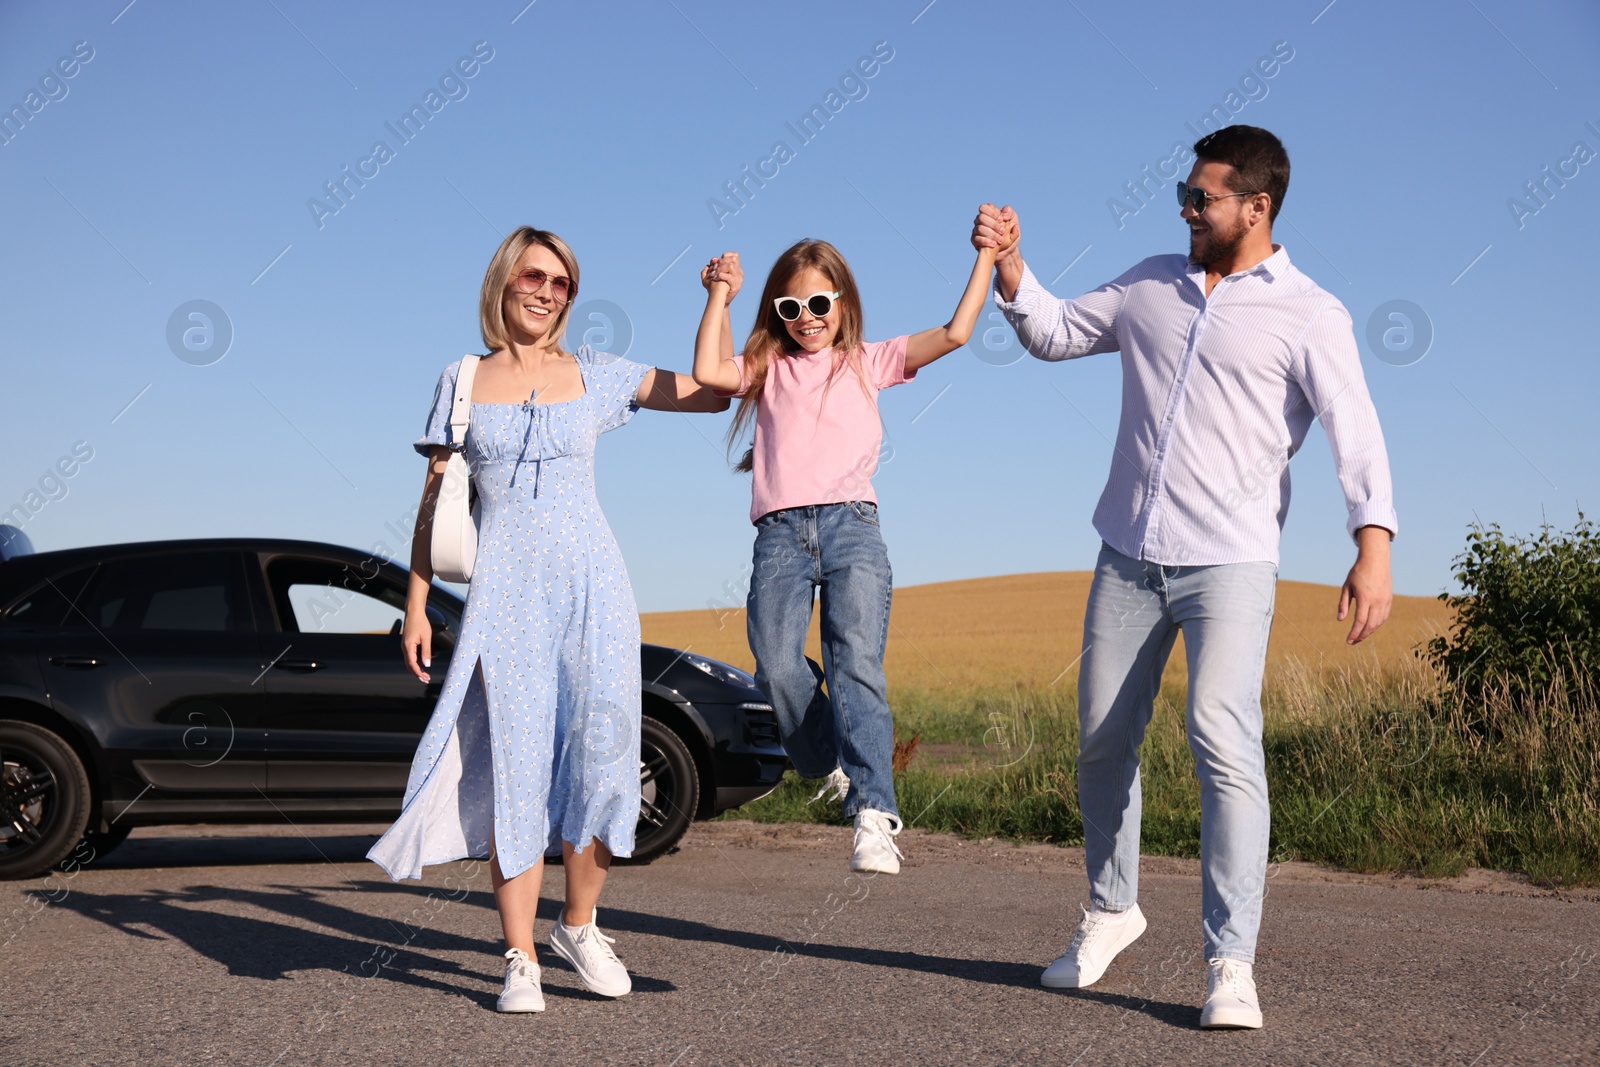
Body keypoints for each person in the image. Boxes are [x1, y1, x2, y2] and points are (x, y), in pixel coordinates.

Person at [974, 125, 1397, 1030]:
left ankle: (1231, 962)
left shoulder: (1311, 312)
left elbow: (1354, 427)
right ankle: (1112, 906)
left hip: (1232, 558)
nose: (1185, 210)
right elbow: (1053, 332)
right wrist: (1012, 268)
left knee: (1220, 733)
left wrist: (1374, 542)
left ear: (1257, 206)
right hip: (1128, 550)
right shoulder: (1148, 284)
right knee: (1099, 735)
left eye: (1201, 198)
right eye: (1185, 193)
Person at [368, 226, 729, 1014]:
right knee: (518, 769)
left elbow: (711, 388)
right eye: (535, 275)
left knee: (603, 761)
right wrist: (418, 607)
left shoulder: (594, 372)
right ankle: (520, 955)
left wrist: (720, 299)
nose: (547, 291)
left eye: (562, 283)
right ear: (503, 280)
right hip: (504, 594)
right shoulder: (461, 378)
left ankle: (580, 922)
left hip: (594, 587)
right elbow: (436, 501)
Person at [690, 229, 1003, 874]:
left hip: (852, 529)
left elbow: (955, 333)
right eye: (790, 309)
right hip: (779, 533)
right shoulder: (768, 369)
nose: (806, 319)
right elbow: (706, 372)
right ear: (776, 313)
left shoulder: (868, 360)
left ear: (842, 304)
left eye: (819, 305)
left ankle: (873, 813)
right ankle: (826, 758)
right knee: (775, 665)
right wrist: (720, 295)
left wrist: (986, 257)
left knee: (854, 658)